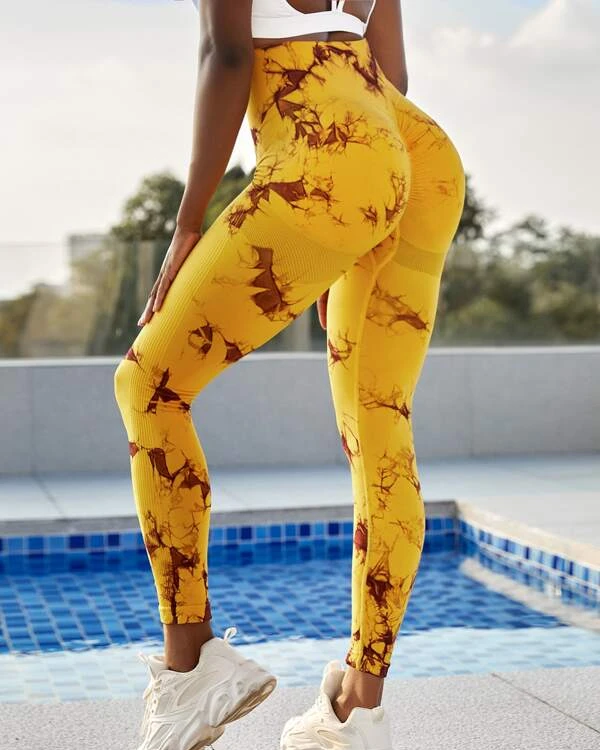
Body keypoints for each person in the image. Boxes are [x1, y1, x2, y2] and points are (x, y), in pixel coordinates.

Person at [113, 1, 466, 748]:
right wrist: (353, 224)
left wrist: (187, 224)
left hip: (324, 151)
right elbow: (391, 70)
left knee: (148, 386)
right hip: (412, 153)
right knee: (381, 425)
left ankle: (190, 667)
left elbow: (229, 55)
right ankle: (357, 710)